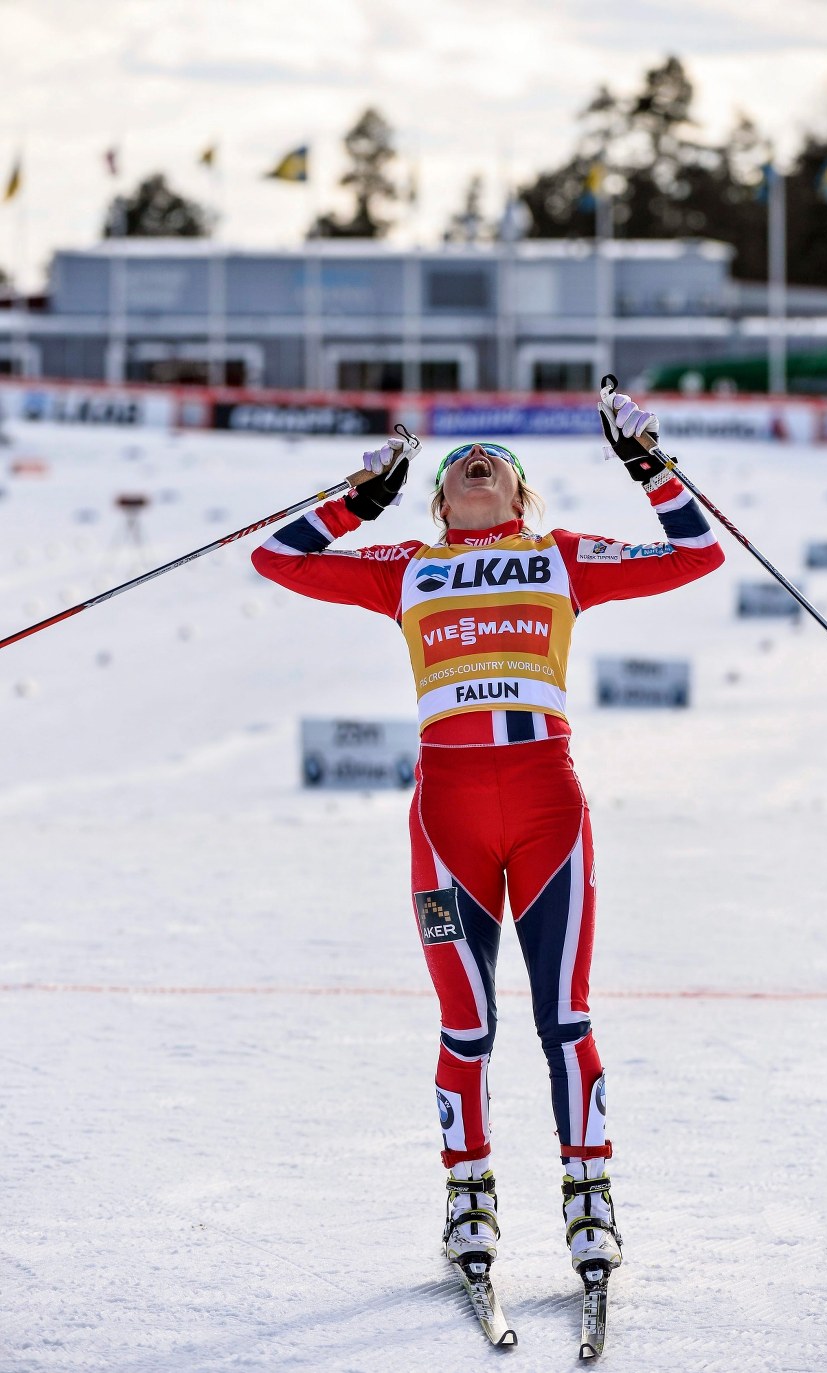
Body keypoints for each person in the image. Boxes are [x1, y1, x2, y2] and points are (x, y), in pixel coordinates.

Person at [251, 388, 724, 1282]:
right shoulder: (405, 565)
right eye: (456, 461)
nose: (475, 458)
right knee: (466, 1025)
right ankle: (467, 1193)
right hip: (445, 815)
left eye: (495, 459)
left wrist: (645, 463)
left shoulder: (562, 556)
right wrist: (362, 498)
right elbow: (275, 557)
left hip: (547, 801)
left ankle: (590, 1197)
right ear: (437, 502)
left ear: (519, 496)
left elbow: (697, 554)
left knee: (566, 1016)